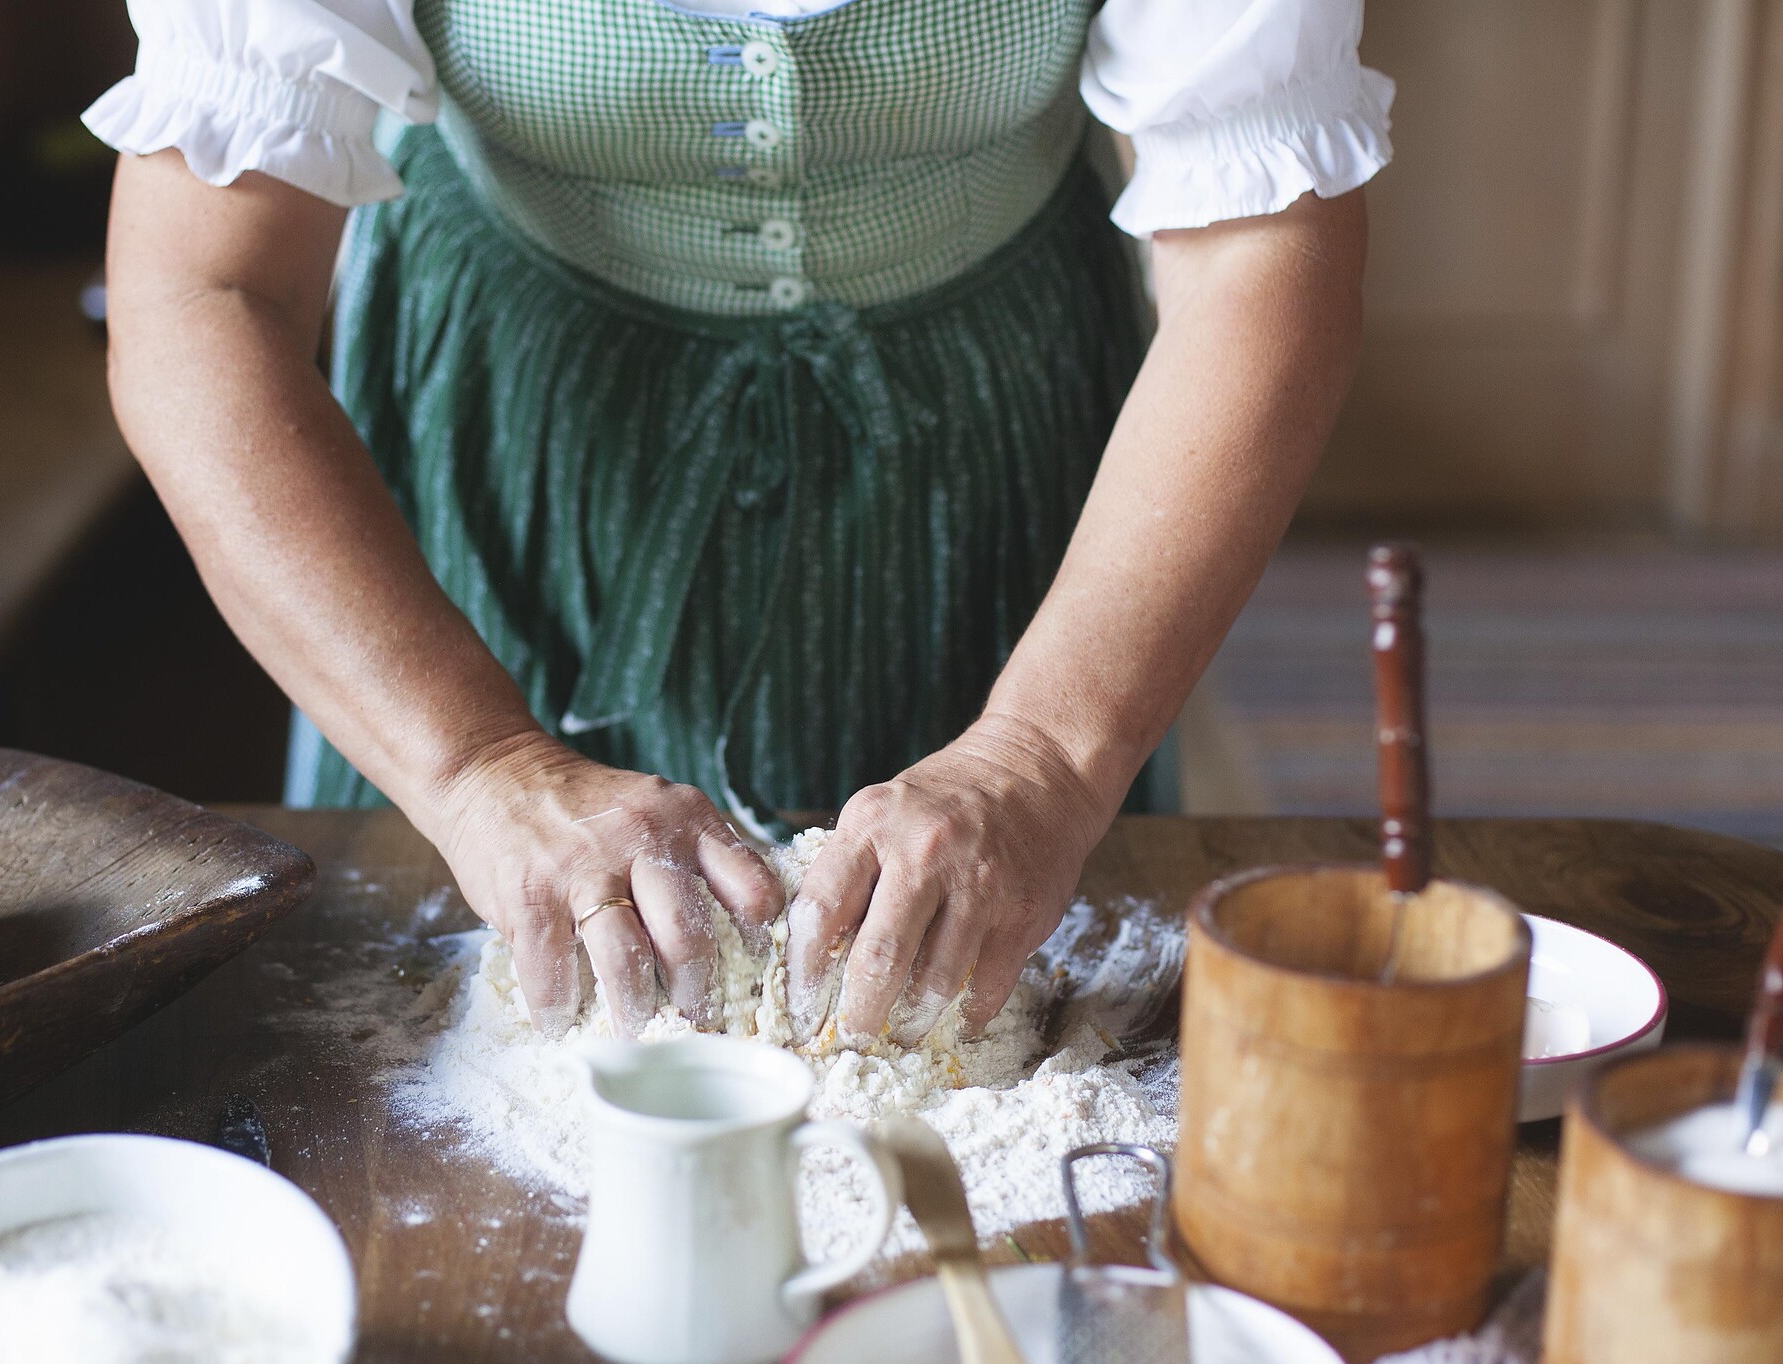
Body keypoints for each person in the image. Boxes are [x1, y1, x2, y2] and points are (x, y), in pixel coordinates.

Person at [86, 0, 1389, 1047]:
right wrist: (481, 769)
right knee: (483, 1009)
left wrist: (1042, 756)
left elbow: (1255, 259)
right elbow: (206, 292)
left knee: (971, 1005)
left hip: (978, 438)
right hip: (521, 438)